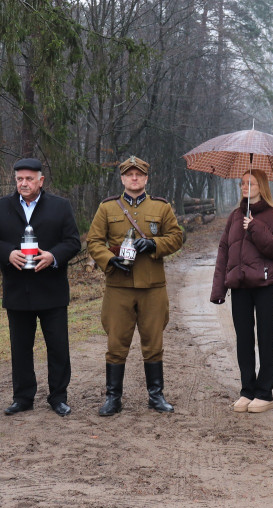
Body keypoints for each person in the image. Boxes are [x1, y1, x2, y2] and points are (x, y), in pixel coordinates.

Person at [0, 158, 82, 417]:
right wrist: (8, 253)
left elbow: (73, 242)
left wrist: (53, 256)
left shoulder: (60, 207)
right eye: (19, 179)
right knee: (20, 347)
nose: (23, 184)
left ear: (41, 180)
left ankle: (58, 397)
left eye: (28, 179)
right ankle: (23, 397)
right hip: (17, 290)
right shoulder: (0, 207)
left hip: (52, 289)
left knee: (58, 347)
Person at [86, 155, 185, 415]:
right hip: (118, 286)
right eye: (129, 174)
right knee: (116, 343)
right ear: (122, 178)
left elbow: (176, 237)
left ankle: (156, 396)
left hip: (152, 287)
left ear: (146, 178)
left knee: (153, 342)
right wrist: (109, 259)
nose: (134, 178)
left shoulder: (161, 207)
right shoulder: (107, 208)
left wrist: (154, 244)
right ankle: (113, 397)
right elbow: (94, 241)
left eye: (139, 174)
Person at [210, 170, 273, 413]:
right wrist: (218, 289)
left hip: (264, 287)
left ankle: (265, 393)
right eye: (242, 183)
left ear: (261, 186)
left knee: (266, 338)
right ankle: (247, 390)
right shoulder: (235, 216)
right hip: (240, 287)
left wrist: (255, 227)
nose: (245, 186)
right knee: (243, 339)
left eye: (251, 183)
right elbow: (224, 251)